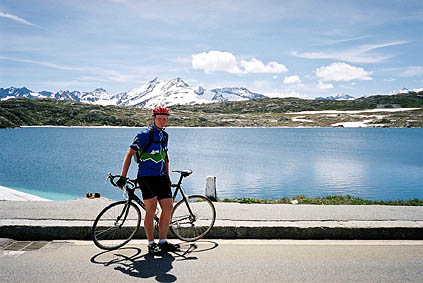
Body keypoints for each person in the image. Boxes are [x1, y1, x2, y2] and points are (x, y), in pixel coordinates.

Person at [116, 105, 179, 255]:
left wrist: (168, 176)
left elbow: (165, 157)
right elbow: (129, 154)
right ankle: (151, 244)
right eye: (160, 119)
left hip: (161, 177)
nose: (163, 121)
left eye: (165, 119)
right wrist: (123, 177)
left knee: (168, 208)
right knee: (150, 210)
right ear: (153, 119)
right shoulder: (144, 135)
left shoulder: (165, 136)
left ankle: (162, 241)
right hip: (146, 177)